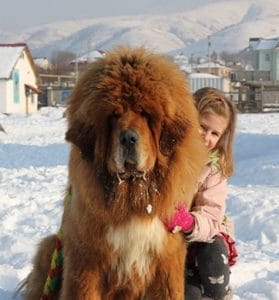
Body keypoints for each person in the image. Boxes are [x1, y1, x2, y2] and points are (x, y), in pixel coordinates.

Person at [165, 87, 238, 300]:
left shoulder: (214, 167)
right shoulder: (169, 154)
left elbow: (211, 213)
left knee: (214, 251)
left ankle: (217, 295)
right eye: (202, 127)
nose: (206, 137)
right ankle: (191, 285)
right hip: (172, 240)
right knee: (190, 294)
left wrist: (188, 222)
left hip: (202, 236)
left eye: (215, 133)